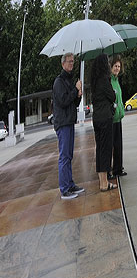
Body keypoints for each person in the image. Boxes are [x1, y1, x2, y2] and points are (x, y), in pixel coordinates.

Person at [52, 52, 84, 200]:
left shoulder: (69, 81)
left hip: (69, 121)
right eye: (69, 61)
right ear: (63, 63)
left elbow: (73, 103)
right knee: (64, 156)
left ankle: (70, 184)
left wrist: (79, 95)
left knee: (69, 155)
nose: (72, 64)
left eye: (73, 61)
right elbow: (64, 101)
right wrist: (75, 90)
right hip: (63, 123)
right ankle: (64, 189)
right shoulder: (59, 82)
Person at [90, 53, 118, 192]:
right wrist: (113, 91)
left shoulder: (94, 82)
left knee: (100, 149)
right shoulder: (104, 80)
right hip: (106, 118)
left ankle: (102, 181)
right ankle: (105, 183)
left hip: (96, 119)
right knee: (106, 150)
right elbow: (112, 97)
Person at [109, 55, 127, 179]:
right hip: (111, 118)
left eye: (119, 66)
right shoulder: (109, 81)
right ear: (111, 67)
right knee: (111, 146)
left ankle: (118, 168)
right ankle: (110, 170)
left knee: (118, 145)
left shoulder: (117, 81)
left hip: (118, 118)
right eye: (115, 66)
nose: (117, 68)